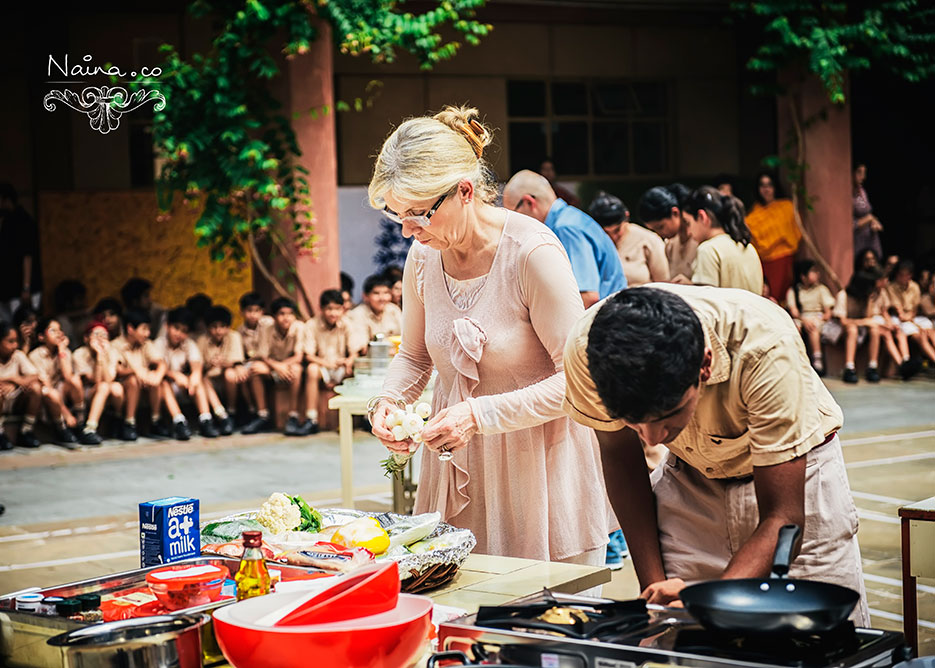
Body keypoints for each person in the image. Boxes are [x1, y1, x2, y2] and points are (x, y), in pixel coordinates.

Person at [366, 105, 614, 564]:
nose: (407, 231)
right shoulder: (423, 256)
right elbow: (416, 355)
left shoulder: (531, 253)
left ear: (464, 191)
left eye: (418, 214)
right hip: (457, 469)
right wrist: (388, 403)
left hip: (540, 469)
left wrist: (477, 415)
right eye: (398, 216)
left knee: (543, 624)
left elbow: (580, 379)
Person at [562, 285, 870, 626]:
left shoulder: (765, 346)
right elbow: (621, 458)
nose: (651, 438)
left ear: (705, 366)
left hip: (797, 476)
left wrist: (707, 609)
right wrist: (654, 586)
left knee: (819, 641)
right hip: (691, 476)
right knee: (677, 638)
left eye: (667, 417)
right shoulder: (589, 352)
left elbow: (783, 516)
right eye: (632, 421)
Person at [502, 171, 627, 308]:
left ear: (529, 203)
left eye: (513, 214)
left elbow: (587, 297)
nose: (513, 223)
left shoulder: (565, 229)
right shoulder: (569, 219)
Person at [242, 298, 310, 436]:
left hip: (290, 365)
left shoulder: (299, 327)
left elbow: (298, 357)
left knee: (296, 370)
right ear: (274, 316)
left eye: (290, 314)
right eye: (282, 314)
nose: (286, 318)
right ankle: (263, 415)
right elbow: (264, 356)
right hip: (273, 365)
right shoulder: (267, 329)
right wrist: (277, 367)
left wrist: (282, 366)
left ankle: (293, 416)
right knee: (255, 368)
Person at [683, 187, 763, 294]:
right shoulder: (747, 247)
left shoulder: (708, 250)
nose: (688, 232)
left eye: (688, 223)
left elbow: (705, 301)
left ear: (702, 217)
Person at [152, 307, 212, 439]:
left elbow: (196, 364)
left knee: (199, 381)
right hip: (165, 388)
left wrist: (195, 376)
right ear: (167, 326)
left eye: (184, 331)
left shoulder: (189, 344)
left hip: (184, 387)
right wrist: (174, 375)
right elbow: (157, 368)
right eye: (176, 328)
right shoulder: (158, 344)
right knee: (163, 383)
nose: (179, 334)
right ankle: (179, 422)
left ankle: (205, 419)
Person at [831, 268, 899, 383]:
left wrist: (869, 302)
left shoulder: (867, 296)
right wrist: (862, 322)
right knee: (852, 329)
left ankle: (872, 366)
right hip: (840, 329)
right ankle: (849, 367)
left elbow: (868, 317)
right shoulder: (843, 295)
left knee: (874, 329)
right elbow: (843, 321)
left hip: (860, 327)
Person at [589, 191, 669, 287]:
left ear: (626, 217)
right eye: (606, 232)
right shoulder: (590, 243)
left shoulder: (649, 240)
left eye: (617, 230)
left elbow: (664, 284)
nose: (613, 237)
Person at [304, 290, 358, 431]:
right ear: (321, 309)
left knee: (356, 370)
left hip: (341, 367)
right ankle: (312, 418)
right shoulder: (311, 324)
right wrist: (328, 364)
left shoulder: (347, 324)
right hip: (322, 367)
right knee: (311, 369)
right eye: (329, 309)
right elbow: (309, 355)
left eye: (337, 309)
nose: (333, 313)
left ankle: (352, 420)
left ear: (342, 309)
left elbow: (354, 351)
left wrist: (349, 361)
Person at [745, 172, 800, 301]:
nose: (766, 189)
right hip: (761, 262)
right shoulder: (755, 211)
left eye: (769, 185)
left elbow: (793, 233)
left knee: (780, 297)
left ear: (775, 187)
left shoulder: (786, 207)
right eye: (762, 185)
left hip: (782, 258)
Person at [29, 317, 83, 447]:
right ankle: (62, 429)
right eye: (53, 330)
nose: (59, 333)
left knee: (75, 380)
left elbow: (68, 377)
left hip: (62, 393)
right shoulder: (35, 356)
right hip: (46, 398)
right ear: (41, 337)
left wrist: (62, 351)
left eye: (60, 330)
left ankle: (80, 424)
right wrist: (67, 414)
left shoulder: (64, 351)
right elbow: (46, 386)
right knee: (50, 392)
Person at [112, 310, 165, 442]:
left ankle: (156, 421)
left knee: (155, 377)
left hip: (145, 383)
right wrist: (136, 371)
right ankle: (129, 423)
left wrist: (156, 376)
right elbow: (117, 371)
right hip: (124, 386)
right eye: (144, 329)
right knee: (133, 380)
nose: (147, 333)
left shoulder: (146, 344)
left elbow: (161, 363)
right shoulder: (115, 345)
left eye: (148, 329)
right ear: (130, 328)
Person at [73, 321, 124, 444]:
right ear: (86, 338)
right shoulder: (79, 354)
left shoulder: (112, 352)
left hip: (106, 390)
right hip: (86, 393)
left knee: (116, 387)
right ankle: (90, 428)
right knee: (103, 387)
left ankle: (116, 419)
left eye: (104, 335)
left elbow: (109, 379)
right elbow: (95, 380)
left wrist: (102, 355)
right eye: (96, 335)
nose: (101, 339)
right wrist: (99, 357)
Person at [197, 306, 243, 436]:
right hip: (210, 382)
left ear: (228, 327)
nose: (218, 331)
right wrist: (210, 364)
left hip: (229, 380)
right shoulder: (202, 340)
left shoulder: (234, 336)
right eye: (214, 326)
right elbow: (199, 367)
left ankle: (231, 411)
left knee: (230, 373)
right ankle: (222, 415)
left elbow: (236, 361)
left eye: (222, 326)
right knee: (203, 379)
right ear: (208, 328)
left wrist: (222, 363)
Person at [639, 184, 697, 285]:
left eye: (661, 227)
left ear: (675, 213)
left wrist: (692, 286)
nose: (660, 233)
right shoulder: (670, 245)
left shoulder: (700, 242)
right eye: (654, 230)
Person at [0, 183, 42, 323]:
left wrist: (26, 287)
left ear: (5, 199)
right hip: (9, 287)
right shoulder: (7, 221)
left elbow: (27, 256)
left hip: (22, 288)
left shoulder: (23, 221)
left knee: (25, 324)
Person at [785, 260, 835, 376]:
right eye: (813, 272)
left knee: (814, 327)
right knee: (794, 327)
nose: (817, 274)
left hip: (818, 318)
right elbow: (794, 312)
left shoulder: (821, 289)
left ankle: (817, 361)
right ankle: (796, 360)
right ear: (803, 276)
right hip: (801, 318)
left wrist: (817, 319)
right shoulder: (794, 291)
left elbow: (828, 313)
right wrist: (804, 320)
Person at [0, 320, 42, 449]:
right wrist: (12, 378)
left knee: (35, 388)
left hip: (15, 400)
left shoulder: (18, 355)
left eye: (16, 341)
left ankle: (26, 431)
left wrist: (15, 382)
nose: (15, 345)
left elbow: (34, 375)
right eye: (10, 341)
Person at [887, 260, 935, 365]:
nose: (903, 277)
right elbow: (897, 309)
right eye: (901, 274)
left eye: (906, 275)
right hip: (898, 317)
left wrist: (910, 317)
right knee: (916, 336)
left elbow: (915, 309)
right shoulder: (891, 287)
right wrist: (905, 317)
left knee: (930, 333)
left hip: (912, 317)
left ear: (910, 275)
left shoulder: (914, 287)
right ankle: (907, 361)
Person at [237, 292, 274, 424]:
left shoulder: (268, 324)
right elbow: (243, 355)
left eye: (257, 311)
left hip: (271, 361)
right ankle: (251, 410)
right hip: (253, 362)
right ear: (242, 312)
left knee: (254, 370)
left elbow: (267, 352)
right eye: (249, 311)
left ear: (262, 311)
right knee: (241, 373)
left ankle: (262, 414)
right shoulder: (240, 331)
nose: (253, 315)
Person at [345, 275, 403, 354]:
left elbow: (405, 339)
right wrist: (389, 350)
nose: (382, 298)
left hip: (395, 359)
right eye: (376, 293)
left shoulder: (394, 310)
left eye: (386, 293)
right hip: (370, 362)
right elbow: (361, 348)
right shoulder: (357, 314)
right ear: (365, 296)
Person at [853, 163, 883, 260]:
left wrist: (873, 221)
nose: (863, 177)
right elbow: (850, 224)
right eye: (859, 172)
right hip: (858, 240)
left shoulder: (861, 191)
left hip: (870, 236)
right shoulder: (847, 194)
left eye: (864, 173)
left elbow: (867, 212)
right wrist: (869, 219)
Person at [52, 280, 90, 349]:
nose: (84, 301)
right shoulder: (61, 321)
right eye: (79, 298)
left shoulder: (85, 317)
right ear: (68, 302)